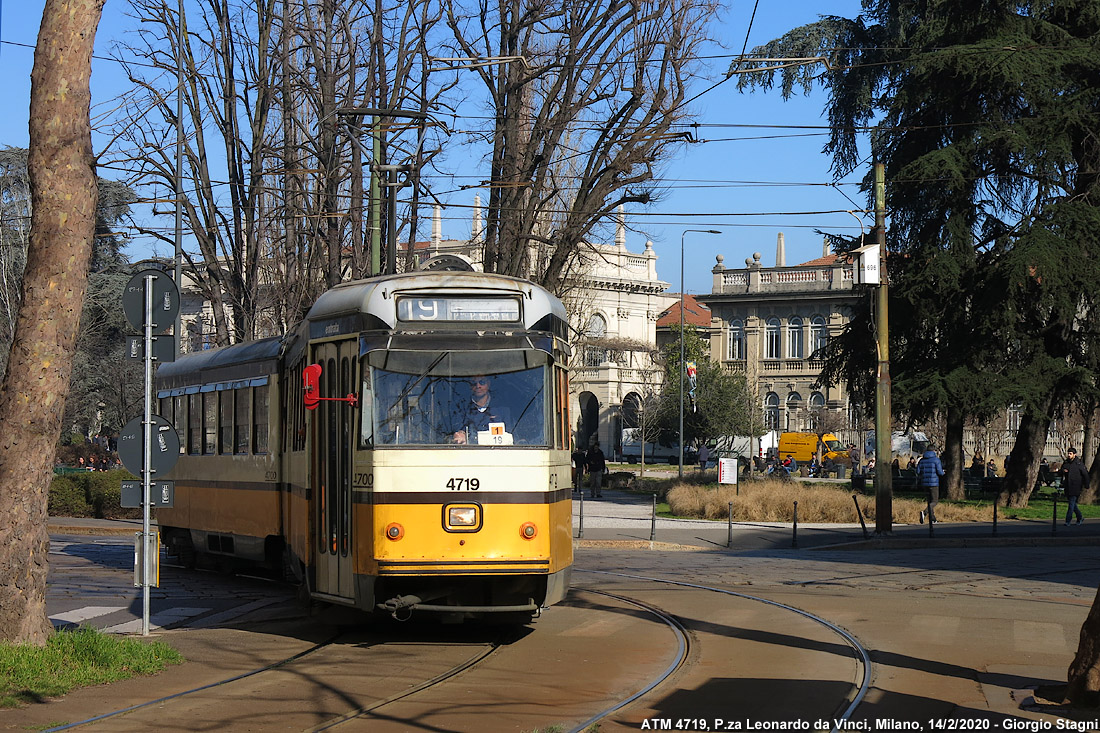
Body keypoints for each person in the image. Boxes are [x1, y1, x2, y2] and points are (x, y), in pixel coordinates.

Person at [451, 375, 512, 445]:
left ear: (488, 384)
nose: (478, 386)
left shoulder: (502, 409)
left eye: (482, 382)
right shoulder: (461, 408)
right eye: (473, 383)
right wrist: (459, 435)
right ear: (470, 386)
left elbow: (509, 435)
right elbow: (456, 432)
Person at [916, 445, 945, 523]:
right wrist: (943, 472)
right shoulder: (936, 460)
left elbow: (918, 471)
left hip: (925, 483)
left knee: (929, 501)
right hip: (934, 482)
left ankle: (933, 519)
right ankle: (924, 512)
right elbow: (940, 472)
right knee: (935, 501)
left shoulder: (922, 460)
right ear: (933, 451)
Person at [1060, 447, 1089, 526]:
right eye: (1068, 453)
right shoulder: (1066, 463)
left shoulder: (1079, 464)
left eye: (1070, 454)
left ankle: (1068, 520)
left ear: (1074, 455)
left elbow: (1085, 474)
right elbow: (1061, 471)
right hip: (1068, 486)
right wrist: (1063, 471)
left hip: (1076, 486)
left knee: (1071, 504)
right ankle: (1080, 517)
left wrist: (1086, 484)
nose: (1069, 455)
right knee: (1073, 504)